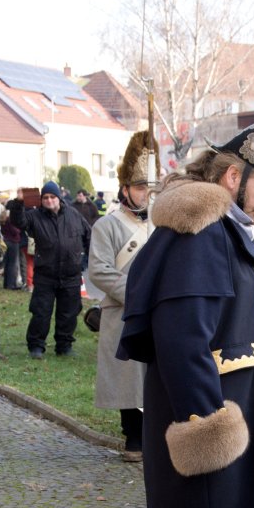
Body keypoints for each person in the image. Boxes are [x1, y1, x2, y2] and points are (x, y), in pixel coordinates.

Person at [119, 122, 254, 508]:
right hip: (206, 415)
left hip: (225, 408)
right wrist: (206, 427)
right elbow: (182, 340)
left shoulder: (221, 229)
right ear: (234, 176)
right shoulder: (201, 233)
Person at [88, 132, 157, 462]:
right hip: (124, 311)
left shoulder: (161, 223)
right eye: (140, 187)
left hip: (158, 312)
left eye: (150, 188)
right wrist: (140, 294)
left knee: (155, 376)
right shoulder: (106, 226)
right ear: (125, 188)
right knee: (128, 377)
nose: (146, 194)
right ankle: (133, 437)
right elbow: (99, 271)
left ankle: (156, 434)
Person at [9, 182, 91, 358]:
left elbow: (89, 236)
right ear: (41, 199)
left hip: (71, 275)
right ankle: (36, 347)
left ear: (59, 198)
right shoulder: (34, 216)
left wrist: (86, 260)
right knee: (41, 312)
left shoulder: (73, 214)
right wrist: (19, 202)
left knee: (69, 313)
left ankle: (64, 346)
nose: (49, 200)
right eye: (45, 197)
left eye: (52, 197)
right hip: (45, 275)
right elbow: (18, 221)